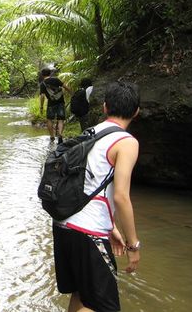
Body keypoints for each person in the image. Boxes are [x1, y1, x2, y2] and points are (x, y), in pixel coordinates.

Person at [52, 81, 141, 312]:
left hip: (63, 224)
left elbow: (88, 183)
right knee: (104, 307)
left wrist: (111, 228)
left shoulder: (90, 132)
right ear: (136, 111)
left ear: (104, 107)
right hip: (88, 231)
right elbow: (121, 196)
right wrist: (134, 246)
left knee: (81, 295)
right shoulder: (127, 142)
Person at [39, 67, 71, 144]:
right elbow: (66, 87)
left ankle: (52, 136)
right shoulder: (56, 79)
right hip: (60, 102)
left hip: (51, 103)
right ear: (50, 73)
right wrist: (72, 94)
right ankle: (60, 134)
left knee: (49, 119)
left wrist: (41, 106)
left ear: (42, 75)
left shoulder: (42, 84)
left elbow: (42, 96)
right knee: (60, 119)